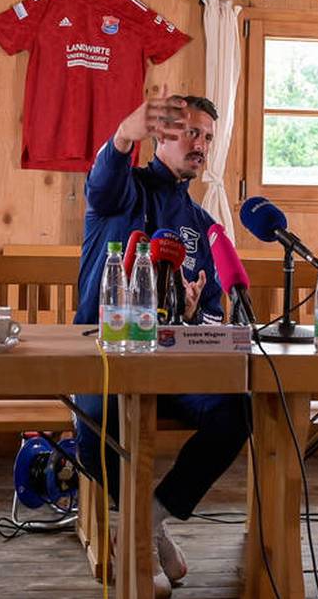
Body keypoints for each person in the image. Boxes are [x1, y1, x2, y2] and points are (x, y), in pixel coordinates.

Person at [73, 91, 248, 597]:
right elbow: (106, 173)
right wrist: (125, 133)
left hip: (174, 364)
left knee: (237, 412)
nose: (200, 145)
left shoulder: (205, 224)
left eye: (208, 138)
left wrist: (197, 313)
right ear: (161, 135)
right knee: (93, 429)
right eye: (191, 132)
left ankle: (146, 520)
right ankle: (145, 531)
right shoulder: (123, 193)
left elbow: (217, 308)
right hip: (104, 358)